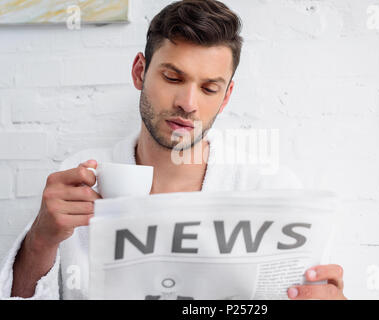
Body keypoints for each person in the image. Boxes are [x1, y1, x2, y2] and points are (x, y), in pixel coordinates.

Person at [0, 0, 345, 300]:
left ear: (225, 98)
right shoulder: (81, 178)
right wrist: (40, 241)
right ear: (140, 71)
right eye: (173, 78)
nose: (188, 104)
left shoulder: (271, 191)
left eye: (209, 88)